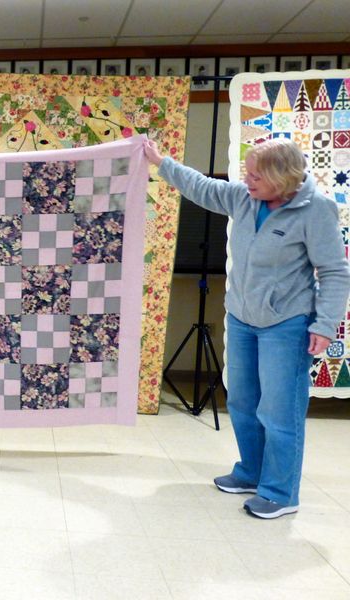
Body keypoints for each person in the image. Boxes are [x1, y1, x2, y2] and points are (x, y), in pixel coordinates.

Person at [144, 137, 350, 519]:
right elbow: (202, 187)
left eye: (256, 175)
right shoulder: (244, 197)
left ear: (282, 177)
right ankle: (251, 472)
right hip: (242, 318)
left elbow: (335, 271)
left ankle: (280, 493)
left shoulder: (315, 209)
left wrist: (325, 325)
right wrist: (161, 162)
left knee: (279, 411)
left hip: (286, 324)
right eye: (247, 173)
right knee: (241, 400)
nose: (246, 180)